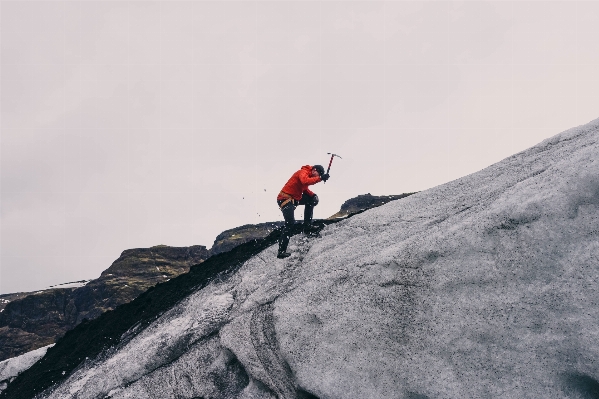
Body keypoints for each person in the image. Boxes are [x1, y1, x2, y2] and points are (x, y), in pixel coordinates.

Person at [276, 165, 330, 259]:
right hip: (284, 199)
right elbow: (304, 181)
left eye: (320, 175)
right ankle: (281, 251)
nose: (317, 176)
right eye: (318, 174)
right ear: (314, 170)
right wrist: (321, 178)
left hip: (294, 199)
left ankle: (307, 226)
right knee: (290, 223)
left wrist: (314, 195)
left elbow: (305, 189)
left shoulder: (308, 175)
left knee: (312, 200)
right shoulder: (303, 172)